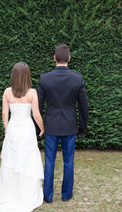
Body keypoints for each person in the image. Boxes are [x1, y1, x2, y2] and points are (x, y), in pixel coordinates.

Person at [0, 62, 44, 212]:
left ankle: (8, 192)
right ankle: (26, 192)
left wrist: (7, 129)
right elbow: (36, 115)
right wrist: (43, 128)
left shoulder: (7, 92)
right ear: (28, 76)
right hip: (26, 129)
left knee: (11, 160)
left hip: (13, 128)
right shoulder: (32, 93)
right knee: (27, 158)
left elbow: (5, 114)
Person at [37, 44, 89, 203]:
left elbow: (38, 106)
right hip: (69, 126)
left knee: (49, 161)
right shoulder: (77, 78)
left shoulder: (44, 78)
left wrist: (37, 129)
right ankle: (66, 195)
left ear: (54, 58)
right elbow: (84, 106)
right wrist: (82, 127)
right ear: (69, 58)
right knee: (68, 161)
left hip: (51, 126)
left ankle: (48, 195)